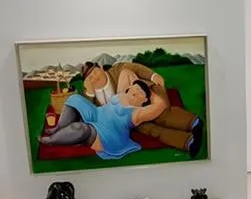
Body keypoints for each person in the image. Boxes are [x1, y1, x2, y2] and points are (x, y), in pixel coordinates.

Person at [39, 66, 171, 160]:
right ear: (130, 87)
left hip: (108, 132)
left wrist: (151, 92)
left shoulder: (138, 113)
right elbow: (126, 71)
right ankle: (58, 128)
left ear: (145, 100)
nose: (137, 92)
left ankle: (51, 140)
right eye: (136, 88)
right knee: (74, 99)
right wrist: (141, 83)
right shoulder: (122, 93)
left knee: (80, 128)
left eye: (141, 93)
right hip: (97, 114)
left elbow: (160, 105)